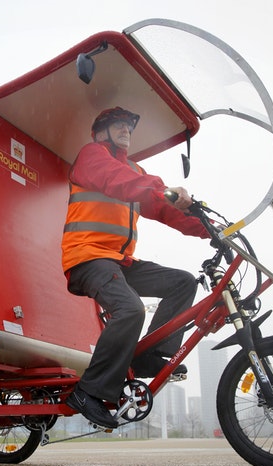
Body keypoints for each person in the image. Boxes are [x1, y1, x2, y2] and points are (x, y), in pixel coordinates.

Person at [62, 107, 209, 429]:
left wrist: (208, 227)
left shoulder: (134, 170)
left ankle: (148, 355)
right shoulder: (92, 157)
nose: (127, 130)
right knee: (130, 310)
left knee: (182, 282)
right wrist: (161, 188)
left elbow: (162, 208)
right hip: (87, 256)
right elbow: (120, 181)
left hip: (120, 260)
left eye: (130, 126)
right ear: (101, 131)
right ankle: (88, 392)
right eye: (120, 125)